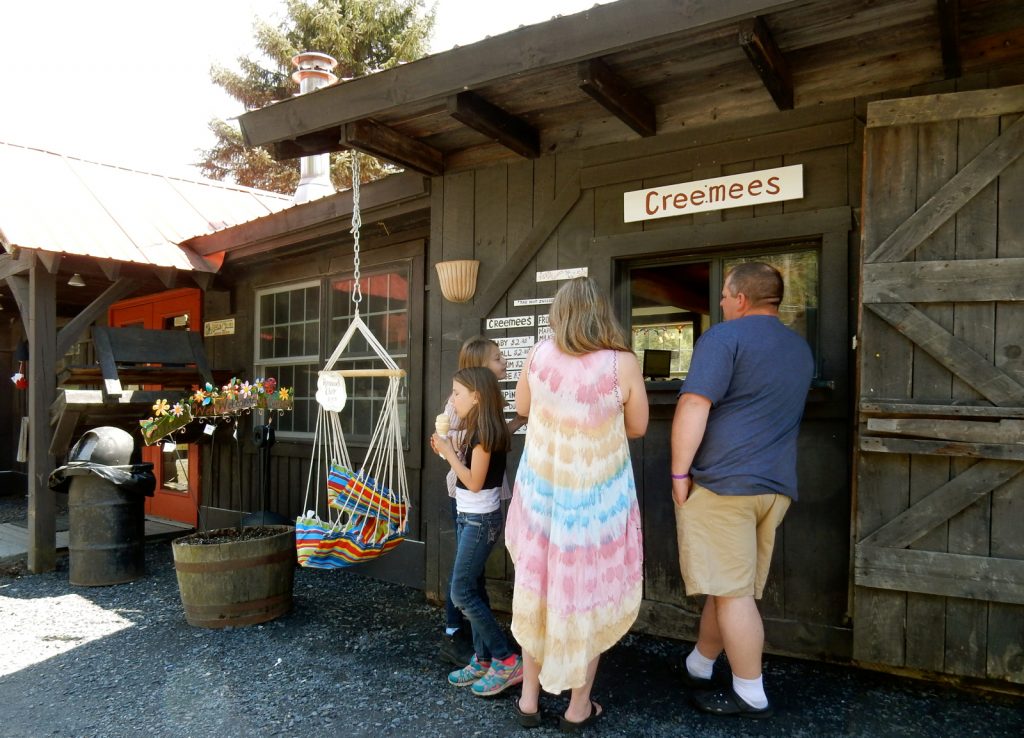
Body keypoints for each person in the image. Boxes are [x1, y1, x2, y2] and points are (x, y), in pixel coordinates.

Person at [670, 262, 813, 719]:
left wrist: (679, 474)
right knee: (728, 585)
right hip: (774, 488)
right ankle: (700, 663)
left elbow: (694, 403)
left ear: (742, 299)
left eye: (726, 297)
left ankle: (750, 691)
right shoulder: (799, 348)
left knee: (733, 594)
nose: (723, 304)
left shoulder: (723, 338)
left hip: (724, 484)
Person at [506, 277, 648, 731]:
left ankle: (529, 701)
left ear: (559, 314)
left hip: (542, 499)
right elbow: (639, 426)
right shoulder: (620, 363)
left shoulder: (537, 355)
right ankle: (576, 708)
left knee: (537, 591)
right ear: (600, 313)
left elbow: (523, 407)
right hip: (595, 502)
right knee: (588, 596)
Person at [432, 366, 524, 697]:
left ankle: (507, 658)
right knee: (473, 588)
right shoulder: (476, 428)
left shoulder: (485, 435)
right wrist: (451, 451)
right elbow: (473, 477)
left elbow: (470, 480)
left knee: (461, 592)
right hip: (469, 515)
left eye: (457, 393)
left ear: (477, 397)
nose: (452, 398)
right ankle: (483, 659)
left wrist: (448, 454)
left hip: (480, 521)